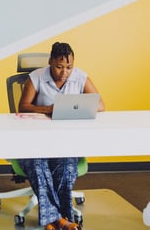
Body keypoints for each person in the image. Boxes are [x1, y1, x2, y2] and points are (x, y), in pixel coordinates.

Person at [17, 42, 105, 230]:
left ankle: (55, 219)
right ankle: (61, 220)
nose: (64, 72)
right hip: (34, 143)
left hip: (64, 143)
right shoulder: (37, 77)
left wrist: (76, 105)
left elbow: (100, 105)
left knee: (66, 167)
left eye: (69, 67)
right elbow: (23, 106)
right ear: (50, 62)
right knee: (37, 165)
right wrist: (48, 109)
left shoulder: (80, 77)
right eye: (59, 67)